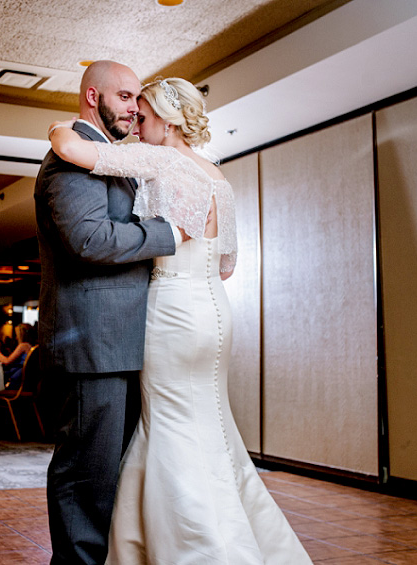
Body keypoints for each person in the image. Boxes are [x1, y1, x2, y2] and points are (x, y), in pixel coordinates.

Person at [48, 77, 312, 564]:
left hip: (170, 311)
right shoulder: (217, 176)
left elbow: (69, 146)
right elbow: (227, 263)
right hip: (212, 312)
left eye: (142, 114)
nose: (135, 124)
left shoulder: (163, 160)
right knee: (209, 422)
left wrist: (58, 125)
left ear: (167, 121)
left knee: (170, 425)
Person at [35, 60, 184, 565]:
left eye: (137, 99)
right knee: (85, 481)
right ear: (93, 97)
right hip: (89, 346)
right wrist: (167, 236)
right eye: (125, 97)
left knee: (110, 480)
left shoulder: (106, 159)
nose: (133, 108)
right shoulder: (70, 158)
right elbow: (89, 239)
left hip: (118, 345)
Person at [0, 323, 35, 389]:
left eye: (17, 335)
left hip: (18, 379)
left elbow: (6, 361)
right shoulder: (31, 346)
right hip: (24, 378)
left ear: (22, 335)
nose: (16, 338)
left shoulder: (23, 346)